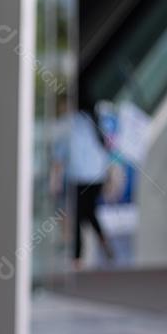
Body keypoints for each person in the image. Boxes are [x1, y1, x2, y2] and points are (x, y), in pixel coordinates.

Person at [66, 93, 115, 269]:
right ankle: (103, 241)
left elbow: (63, 149)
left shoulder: (73, 121)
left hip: (78, 176)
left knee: (80, 215)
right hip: (96, 177)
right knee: (88, 212)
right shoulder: (99, 121)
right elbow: (107, 150)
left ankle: (77, 257)